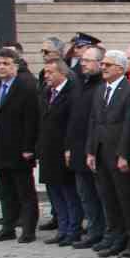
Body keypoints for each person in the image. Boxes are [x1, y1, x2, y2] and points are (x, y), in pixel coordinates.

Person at [86, 49, 130, 258]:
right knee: (107, 197)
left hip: (118, 152)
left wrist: (124, 154)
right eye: (103, 64)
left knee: (125, 198)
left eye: (108, 65)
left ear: (120, 68)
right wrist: (91, 151)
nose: (103, 68)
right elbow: (93, 121)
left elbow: (129, 124)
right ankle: (115, 234)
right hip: (101, 151)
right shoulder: (100, 90)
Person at [0, 46, 40, 242]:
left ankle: (29, 229)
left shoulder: (26, 87)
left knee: (24, 191)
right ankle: (8, 226)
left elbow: (31, 120)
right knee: (5, 191)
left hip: (19, 149)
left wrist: (28, 147)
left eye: (6, 64)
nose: (1, 67)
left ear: (15, 66)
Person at [37, 58, 82, 245]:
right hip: (48, 150)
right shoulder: (47, 93)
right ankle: (62, 228)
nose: (46, 76)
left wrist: (69, 148)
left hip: (63, 150)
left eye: (50, 72)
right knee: (54, 193)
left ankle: (73, 229)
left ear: (62, 73)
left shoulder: (72, 93)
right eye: (45, 72)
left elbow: (73, 124)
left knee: (68, 193)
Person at [66, 43, 106, 248]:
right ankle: (93, 229)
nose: (83, 64)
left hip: (94, 149)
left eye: (88, 60)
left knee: (99, 194)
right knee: (85, 195)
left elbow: (96, 121)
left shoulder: (101, 87)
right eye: (82, 60)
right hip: (78, 148)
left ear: (100, 63)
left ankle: (103, 231)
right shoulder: (81, 83)